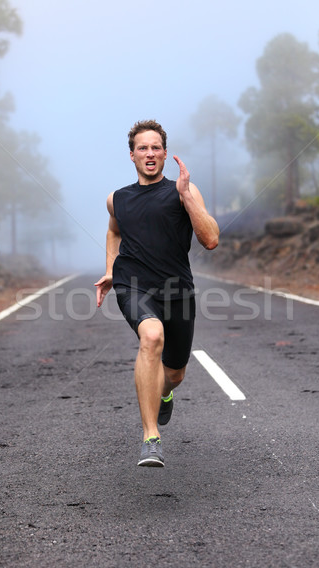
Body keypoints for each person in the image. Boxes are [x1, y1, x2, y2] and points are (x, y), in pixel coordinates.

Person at [95, 120, 219, 467]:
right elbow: (114, 232)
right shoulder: (117, 199)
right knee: (151, 336)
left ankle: (164, 392)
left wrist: (185, 196)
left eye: (156, 147)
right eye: (143, 148)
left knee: (176, 373)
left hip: (176, 288)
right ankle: (151, 437)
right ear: (132, 155)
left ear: (165, 154)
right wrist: (110, 269)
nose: (149, 153)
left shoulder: (185, 192)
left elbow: (210, 239)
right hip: (132, 282)